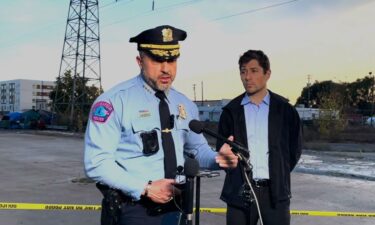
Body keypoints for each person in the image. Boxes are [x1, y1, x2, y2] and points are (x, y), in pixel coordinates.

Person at [84, 25, 238, 225]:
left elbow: (197, 149)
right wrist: (145, 187)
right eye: (157, 60)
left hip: (178, 206)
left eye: (172, 60)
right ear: (140, 61)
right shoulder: (114, 102)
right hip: (134, 210)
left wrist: (219, 158)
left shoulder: (184, 104)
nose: (166, 68)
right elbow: (97, 163)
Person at [216, 49, 302, 225]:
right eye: (243, 71)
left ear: (267, 73)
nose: (247, 77)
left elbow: (294, 151)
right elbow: (223, 152)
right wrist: (238, 176)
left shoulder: (285, 110)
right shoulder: (231, 112)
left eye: (254, 71)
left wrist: (278, 173)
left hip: (275, 194)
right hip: (239, 194)